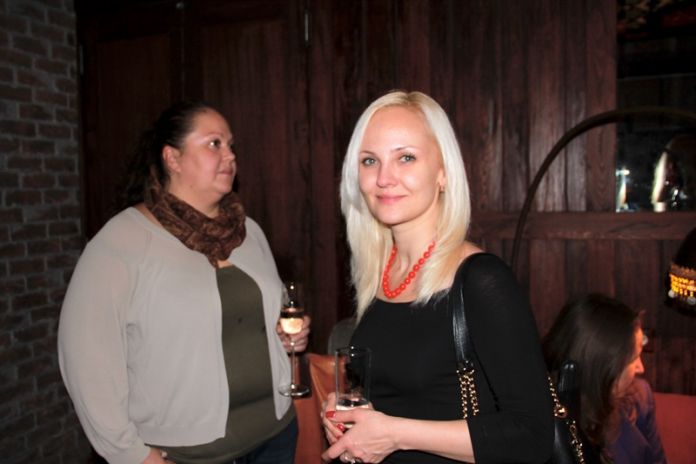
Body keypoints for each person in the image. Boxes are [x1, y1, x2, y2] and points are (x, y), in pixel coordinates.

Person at [58, 101, 310, 464]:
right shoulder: (122, 241)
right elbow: (87, 362)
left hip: (274, 437)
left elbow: (269, 318)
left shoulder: (249, 231)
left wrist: (289, 336)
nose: (230, 155)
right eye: (214, 144)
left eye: (231, 145)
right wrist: (130, 454)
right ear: (172, 158)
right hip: (186, 454)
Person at [321, 90, 554, 463]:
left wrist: (394, 434)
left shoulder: (481, 280)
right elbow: (402, 393)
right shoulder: (380, 273)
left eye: (406, 157)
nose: (384, 178)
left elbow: (532, 437)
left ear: (443, 172)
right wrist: (350, 414)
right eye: (370, 160)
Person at [543, 293, 667, 464]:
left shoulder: (641, 397)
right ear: (602, 370)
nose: (641, 368)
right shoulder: (546, 419)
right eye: (633, 359)